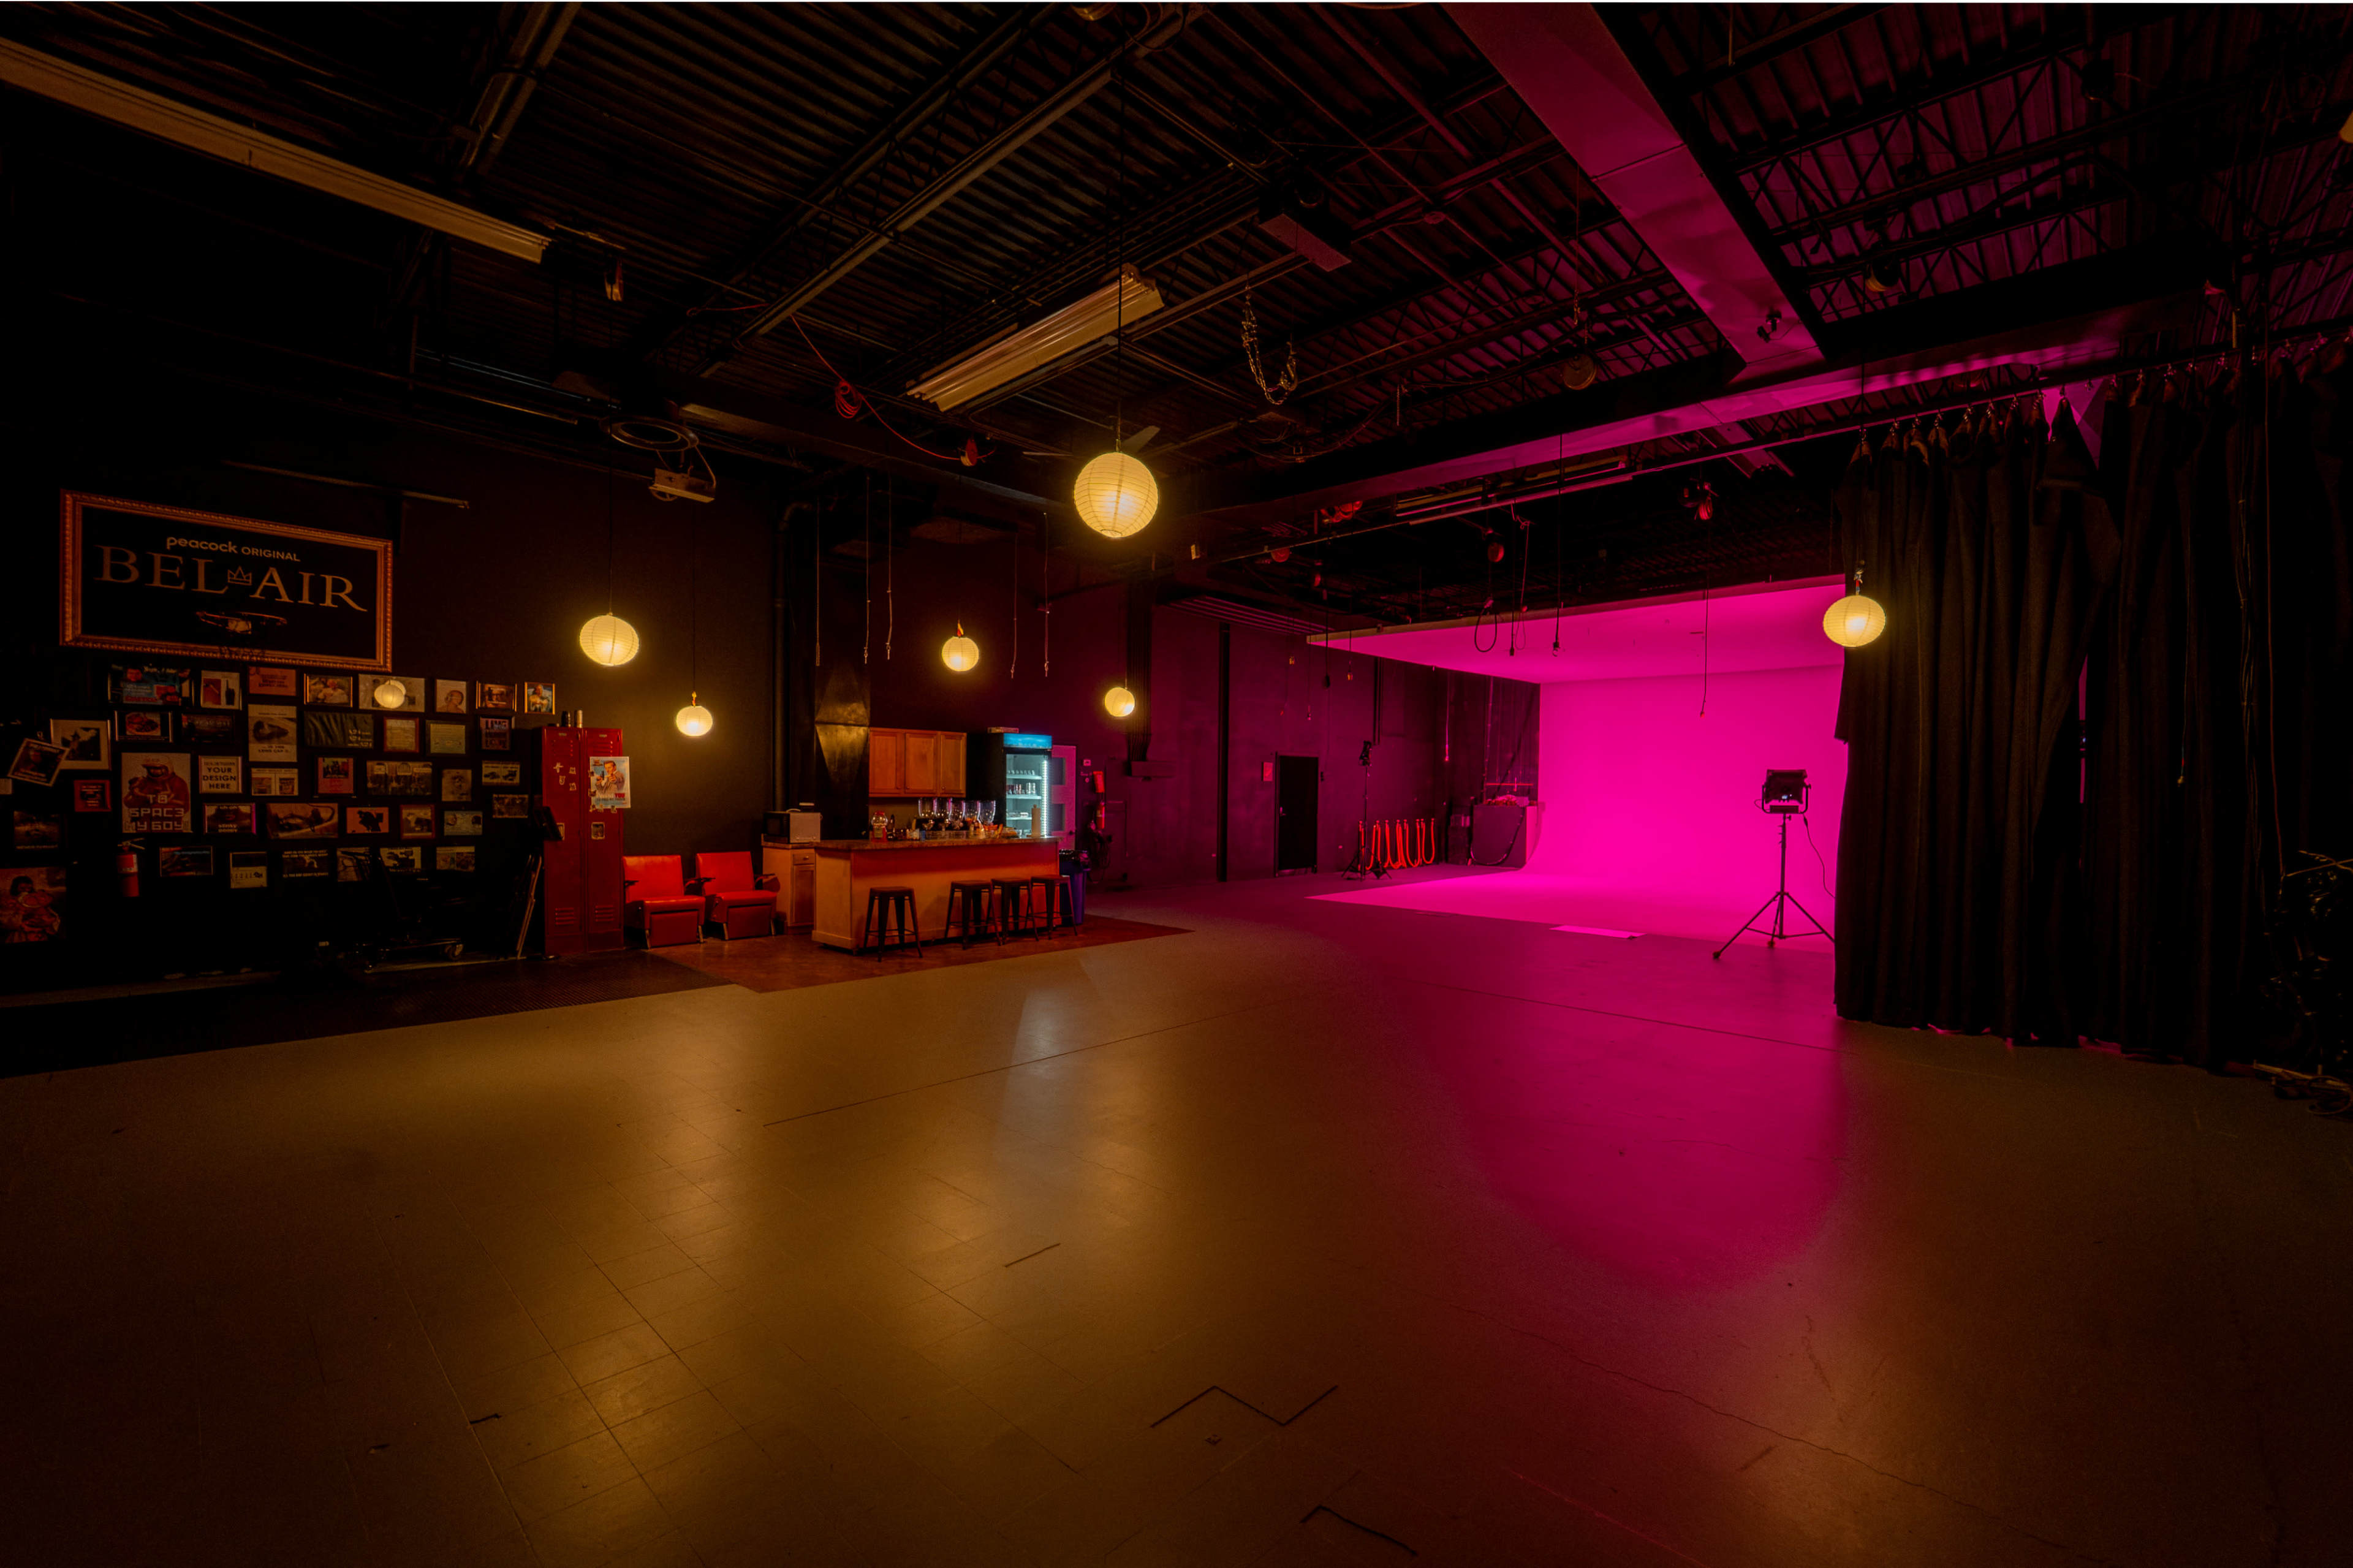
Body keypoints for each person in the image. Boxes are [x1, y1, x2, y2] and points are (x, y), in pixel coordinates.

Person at [125, 758, 189, 825]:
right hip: (144, 827)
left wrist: (157, 806)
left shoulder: (177, 782)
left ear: (168, 768)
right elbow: (130, 803)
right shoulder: (143, 782)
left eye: (157, 768)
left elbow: (185, 807)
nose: (153, 771)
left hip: (169, 828)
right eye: (150, 768)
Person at [2, 874, 61, 942]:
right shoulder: (10, 903)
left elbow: (53, 919)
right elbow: (7, 922)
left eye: (29, 888)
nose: (26, 891)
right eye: (23, 888)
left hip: (39, 934)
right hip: (20, 934)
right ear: (15, 888)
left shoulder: (39, 902)